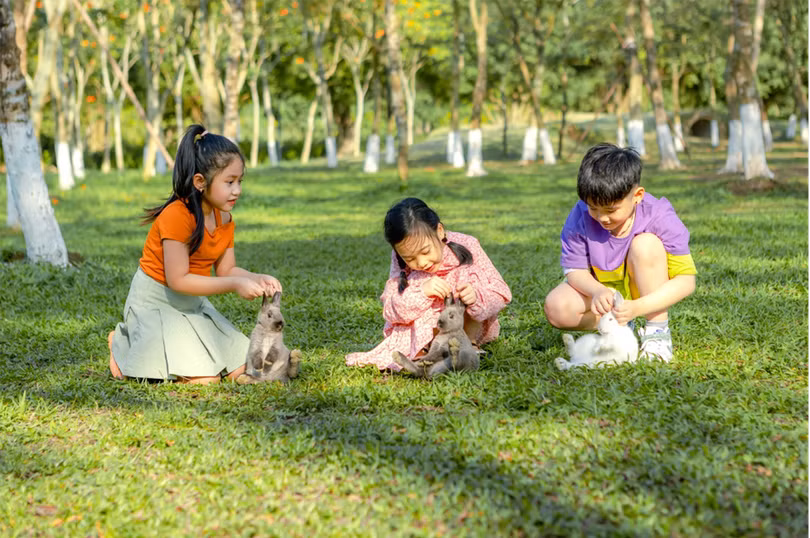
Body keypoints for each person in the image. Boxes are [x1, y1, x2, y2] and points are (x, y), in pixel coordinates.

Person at [108, 125, 282, 384]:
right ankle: (122, 343)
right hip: (157, 303)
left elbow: (227, 270)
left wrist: (255, 278)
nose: (237, 190)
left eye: (240, 181)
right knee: (207, 380)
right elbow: (178, 280)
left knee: (242, 369)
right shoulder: (177, 216)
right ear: (200, 182)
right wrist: (235, 284)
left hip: (191, 303)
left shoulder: (224, 218)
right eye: (229, 182)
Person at [543, 143, 696, 362]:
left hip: (645, 290)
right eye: (593, 208)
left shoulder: (660, 215)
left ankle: (657, 332)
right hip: (605, 293)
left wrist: (637, 307)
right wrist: (597, 291)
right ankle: (619, 325)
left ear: (637, 195)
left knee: (646, 244)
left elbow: (686, 281)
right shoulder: (579, 216)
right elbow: (575, 270)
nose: (602, 218)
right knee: (557, 308)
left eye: (610, 210)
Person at [346, 197, 512, 371]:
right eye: (410, 258)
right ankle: (426, 351)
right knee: (417, 281)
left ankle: (470, 345)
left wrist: (476, 297)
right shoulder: (401, 261)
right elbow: (391, 310)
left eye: (425, 251)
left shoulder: (468, 244)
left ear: (439, 231)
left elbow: (501, 292)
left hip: (465, 327)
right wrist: (422, 291)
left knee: (466, 276)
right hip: (430, 338)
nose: (422, 262)